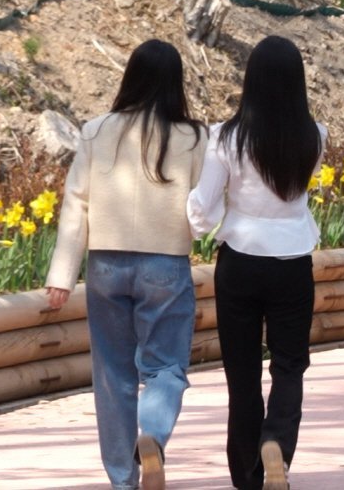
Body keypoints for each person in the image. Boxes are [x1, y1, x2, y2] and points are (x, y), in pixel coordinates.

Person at [45, 38, 207, 490]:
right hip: (165, 265)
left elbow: (75, 204)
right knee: (166, 368)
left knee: (112, 374)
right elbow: (204, 205)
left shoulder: (96, 131)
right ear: (176, 83)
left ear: (129, 77)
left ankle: (122, 481)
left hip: (105, 267)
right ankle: (151, 435)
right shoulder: (194, 137)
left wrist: (61, 275)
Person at [187, 35, 325, 490]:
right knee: (289, 366)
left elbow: (203, 209)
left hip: (240, 263)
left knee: (241, 376)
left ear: (250, 81)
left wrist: (191, 226)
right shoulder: (315, 137)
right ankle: (277, 445)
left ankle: (248, 478)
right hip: (292, 261)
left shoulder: (225, 138)